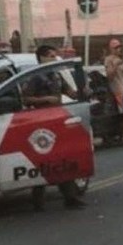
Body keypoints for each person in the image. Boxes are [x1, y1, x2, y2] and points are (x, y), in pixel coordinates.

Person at [21, 45, 87, 210]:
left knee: (63, 158)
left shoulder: (56, 75)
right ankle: (37, 200)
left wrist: (82, 91)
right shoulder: (35, 76)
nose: (53, 58)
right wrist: (45, 99)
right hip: (41, 121)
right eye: (50, 55)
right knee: (43, 160)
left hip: (57, 119)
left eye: (54, 55)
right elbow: (26, 98)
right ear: (41, 58)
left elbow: (70, 92)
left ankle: (70, 197)